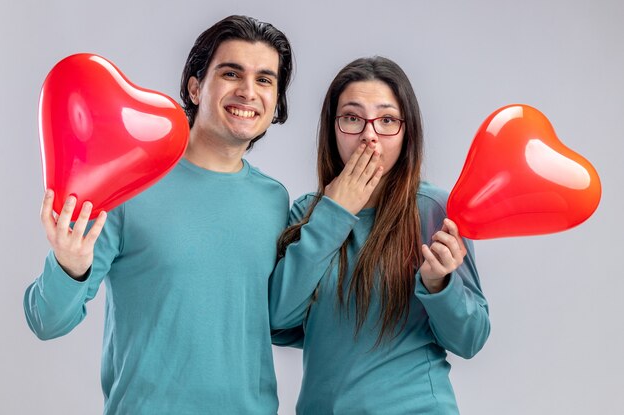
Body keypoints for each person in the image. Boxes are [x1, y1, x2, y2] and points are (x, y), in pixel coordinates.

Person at [24, 15, 293, 415]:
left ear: (275, 105)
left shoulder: (274, 200)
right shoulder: (132, 185)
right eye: (231, 73)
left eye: (265, 79)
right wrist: (68, 266)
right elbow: (46, 321)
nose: (248, 91)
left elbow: (278, 322)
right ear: (195, 87)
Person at [269, 56, 491, 414]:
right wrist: (334, 214)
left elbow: (470, 339)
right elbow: (278, 319)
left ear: (407, 132)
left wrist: (440, 285)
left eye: (387, 119)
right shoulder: (307, 212)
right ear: (332, 128)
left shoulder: (434, 208)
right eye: (353, 118)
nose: (369, 134)